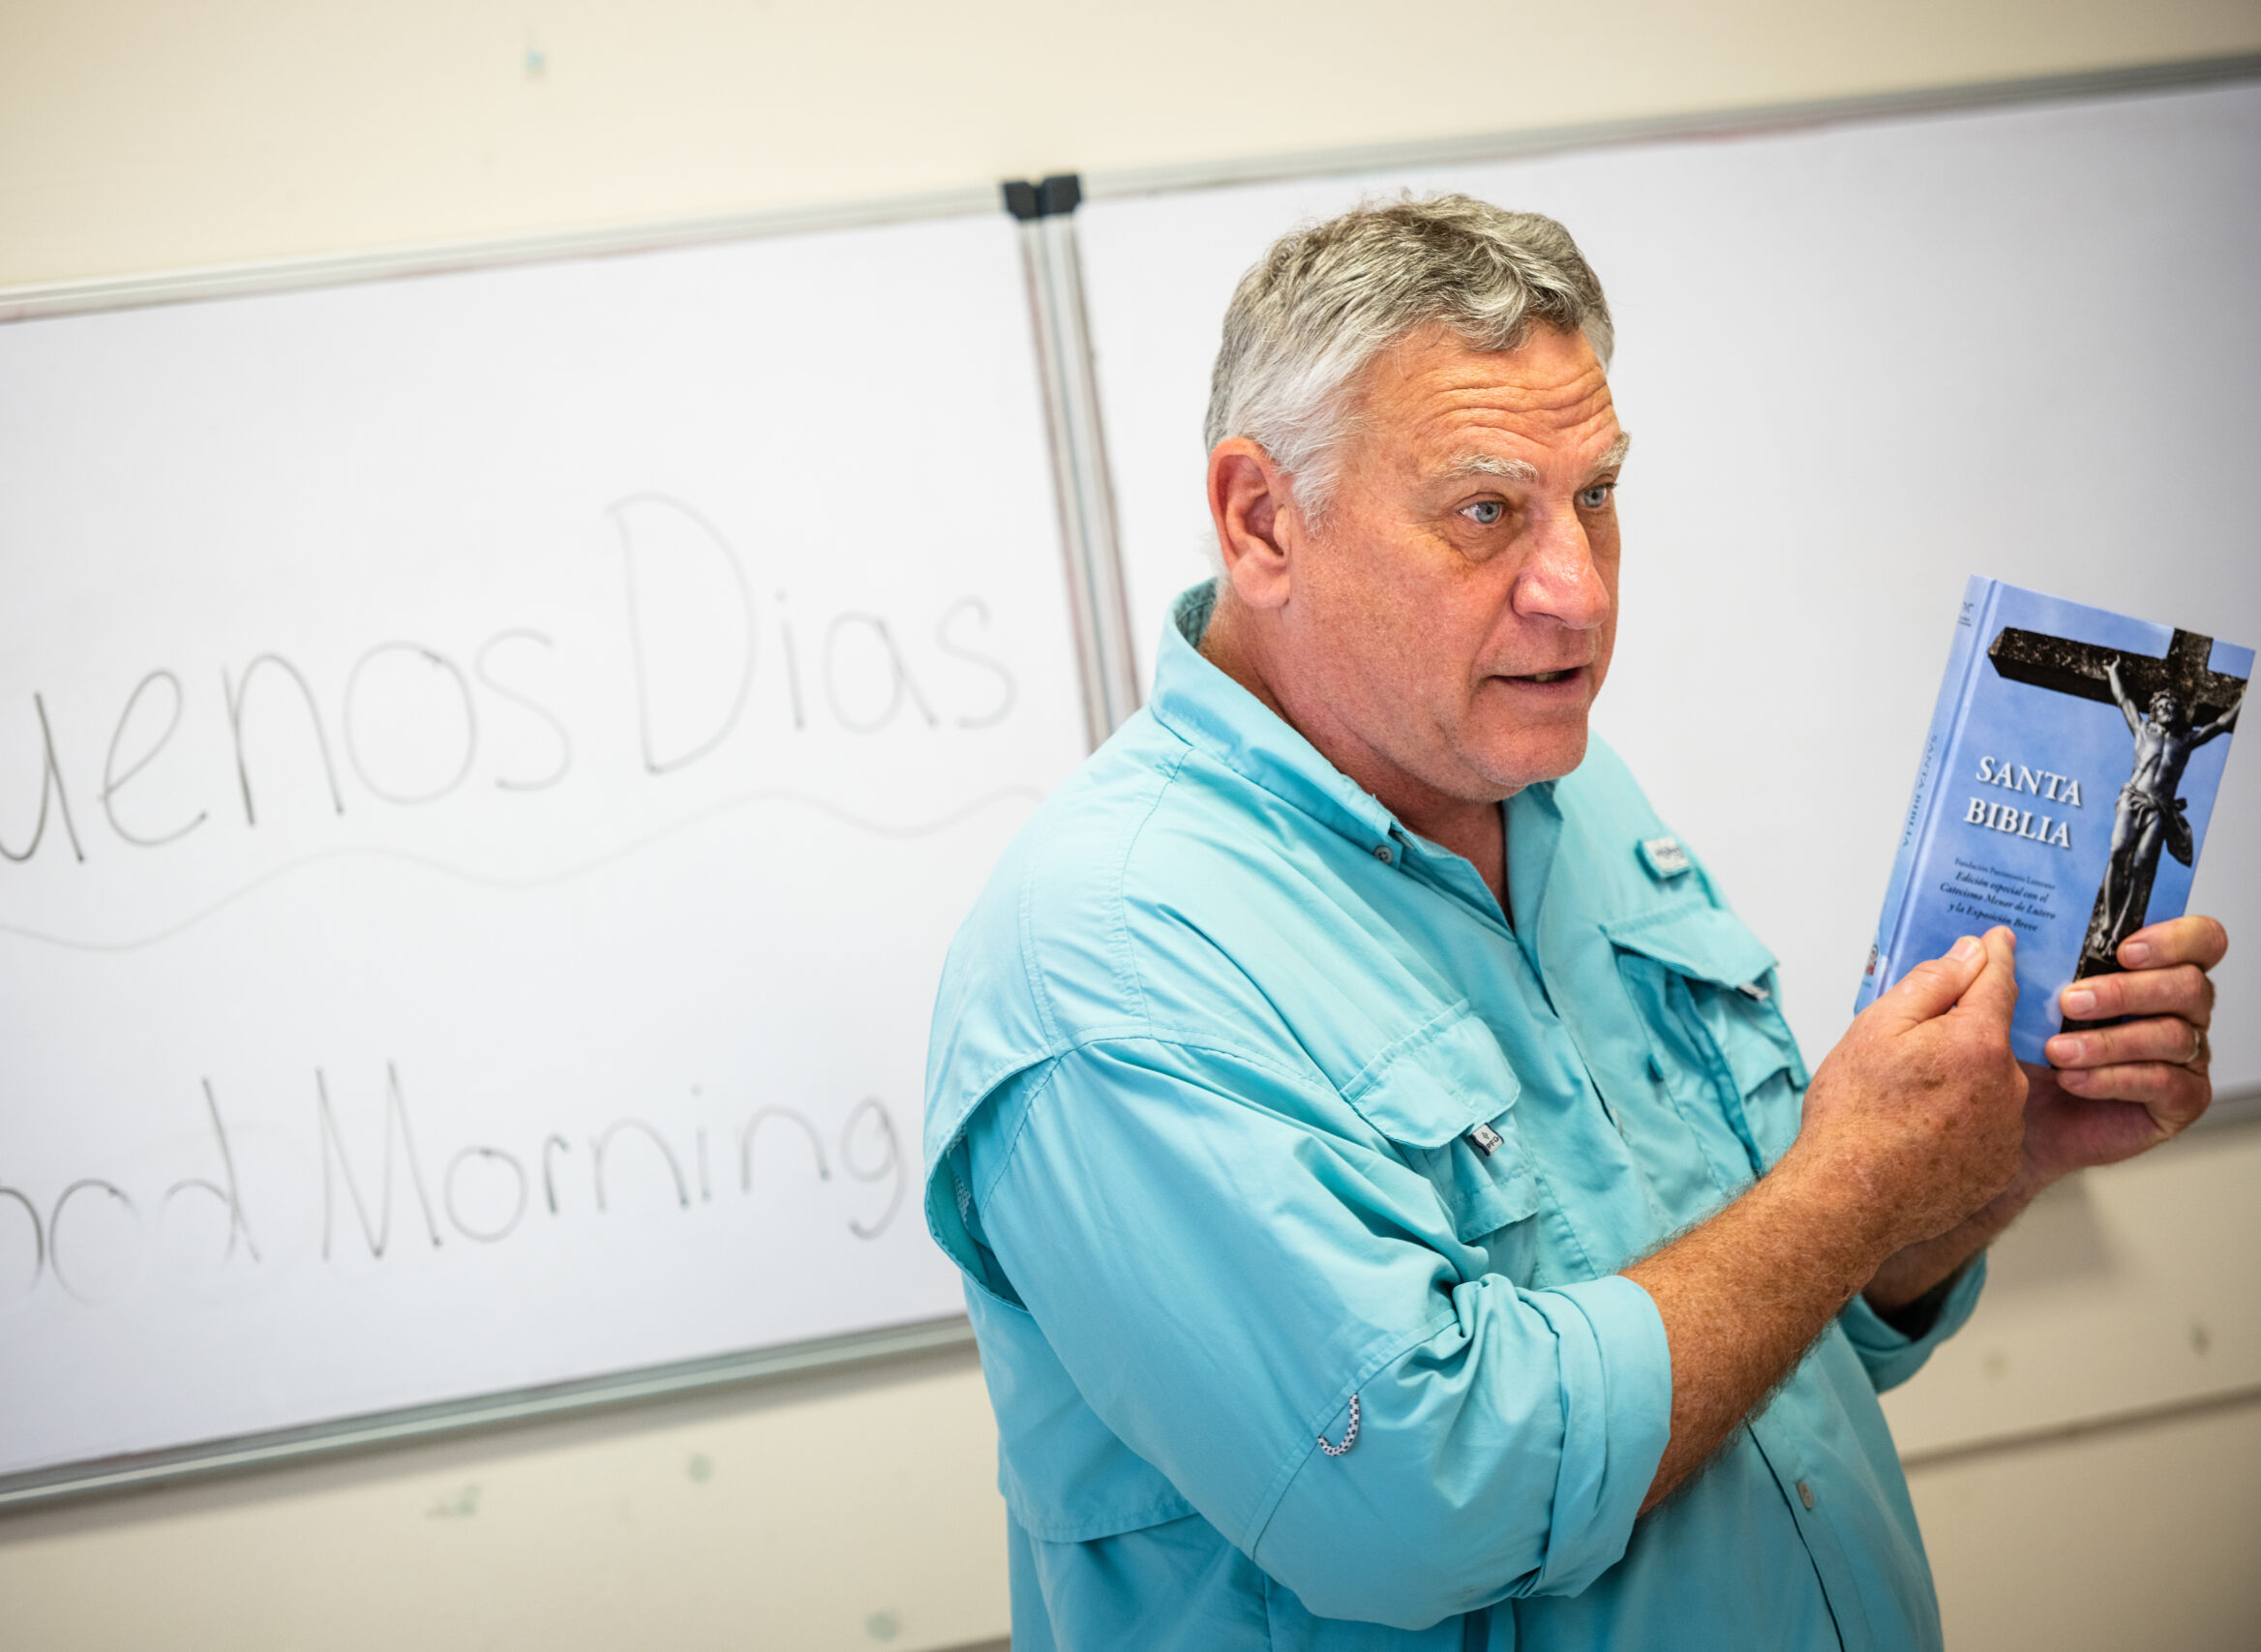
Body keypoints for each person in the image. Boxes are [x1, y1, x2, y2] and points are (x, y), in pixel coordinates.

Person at [919, 195, 2227, 1650]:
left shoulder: (1565, 786)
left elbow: (1795, 1325)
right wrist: (1857, 1177)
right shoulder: (1108, 959)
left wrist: (1987, 1157)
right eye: (1487, 511)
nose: (1578, 591)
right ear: (1262, 519)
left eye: (1595, 495)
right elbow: (1435, 1496)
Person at [2087, 663, 2242, 959]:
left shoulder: (2186, 740)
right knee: (2118, 851)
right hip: (2132, 799)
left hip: (2158, 808)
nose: (2169, 707)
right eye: (2163, 704)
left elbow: (2222, 723)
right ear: (2154, 710)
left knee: (2140, 866)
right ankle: (2106, 923)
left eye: (2173, 704)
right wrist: (2114, 673)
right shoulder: (2143, 731)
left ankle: (2117, 933)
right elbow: (2125, 702)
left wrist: (2246, 699)